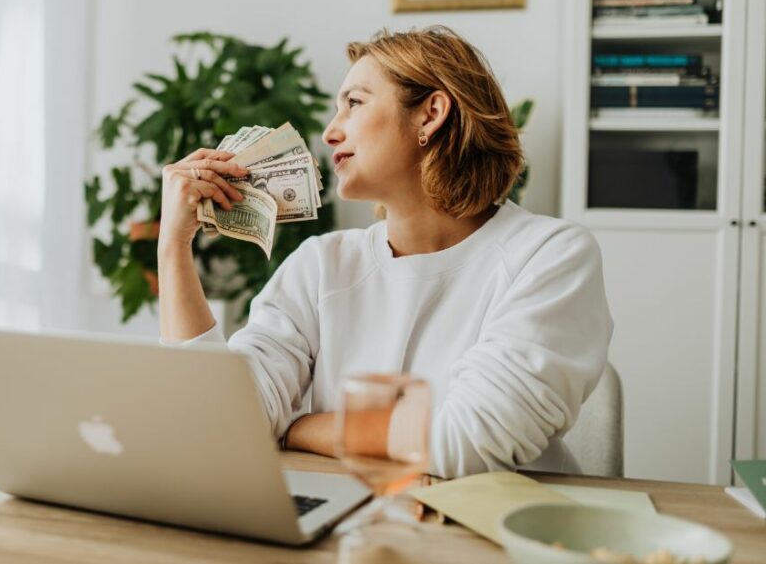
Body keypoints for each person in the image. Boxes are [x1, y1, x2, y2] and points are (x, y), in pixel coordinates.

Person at [155, 26, 613, 478]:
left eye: (354, 103)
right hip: (353, 529)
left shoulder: (550, 255)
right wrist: (173, 247)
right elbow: (221, 421)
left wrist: (300, 427)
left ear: (430, 115)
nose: (331, 132)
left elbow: (466, 444)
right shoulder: (320, 266)